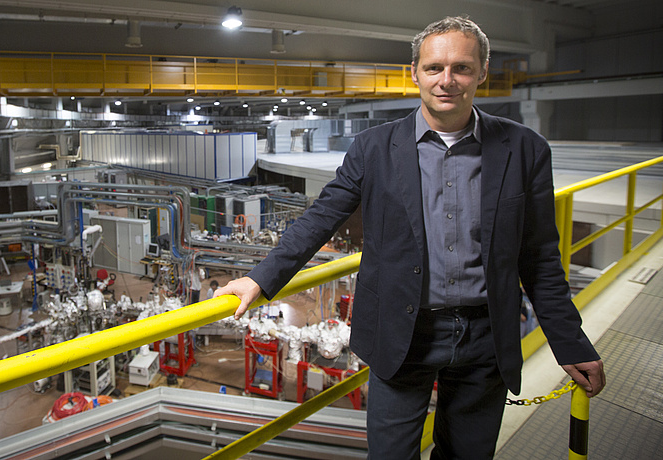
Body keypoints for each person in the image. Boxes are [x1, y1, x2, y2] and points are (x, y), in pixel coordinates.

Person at [214, 16, 605, 459]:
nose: (447, 81)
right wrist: (260, 279)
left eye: (461, 68)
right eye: (435, 68)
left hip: (485, 336)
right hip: (403, 332)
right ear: (414, 72)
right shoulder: (374, 147)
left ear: (482, 72)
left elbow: (539, 257)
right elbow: (321, 217)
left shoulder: (525, 148)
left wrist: (569, 342)